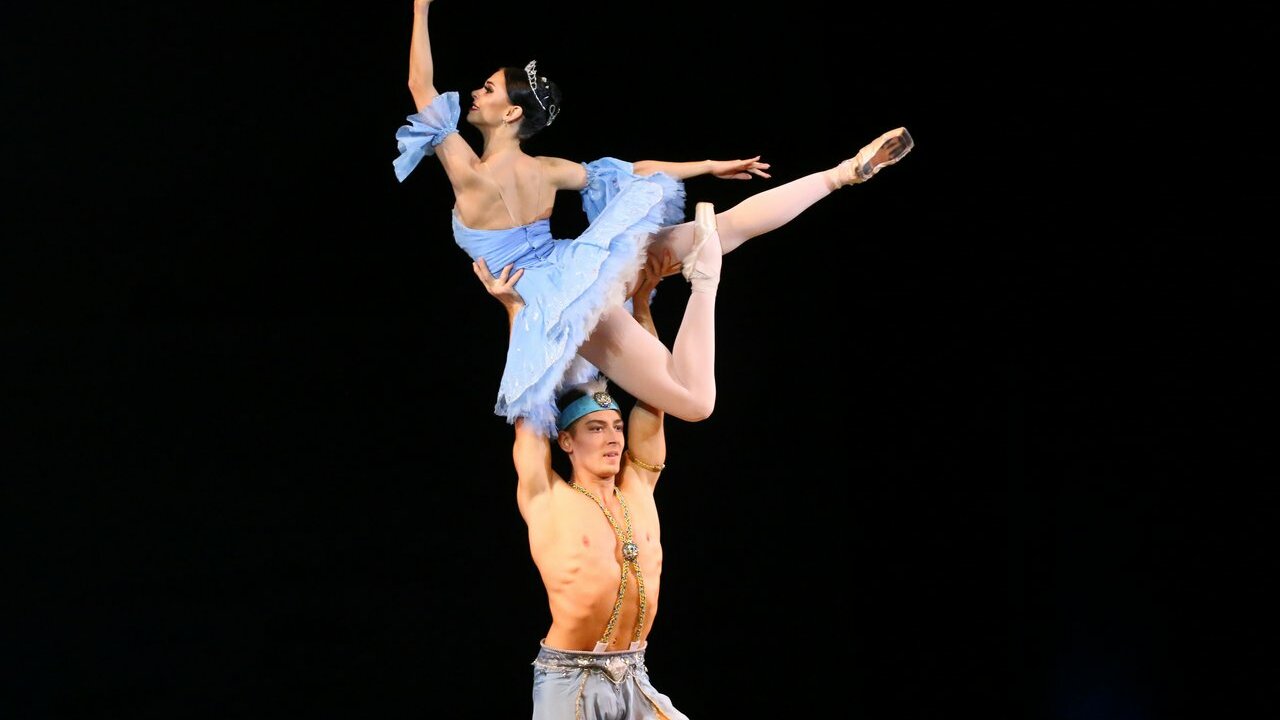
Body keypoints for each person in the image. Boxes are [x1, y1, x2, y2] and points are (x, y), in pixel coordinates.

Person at [393, 0, 913, 438]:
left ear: (511, 113)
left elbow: (421, 83)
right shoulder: (548, 169)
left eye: (487, 88)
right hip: (584, 264)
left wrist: (420, 8)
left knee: (695, 403)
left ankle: (705, 281)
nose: (475, 93)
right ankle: (842, 174)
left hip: (560, 299)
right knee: (725, 226)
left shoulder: (468, 172)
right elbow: (634, 170)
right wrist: (709, 165)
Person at [476, 246, 693, 719]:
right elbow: (527, 408)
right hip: (570, 681)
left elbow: (654, 397)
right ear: (567, 441)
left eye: (616, 427)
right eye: (596, 428)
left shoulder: (639, 487)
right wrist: (518, 315)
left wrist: (642, 304)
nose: (613, 437)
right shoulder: (546, 496)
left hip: (635, 674)